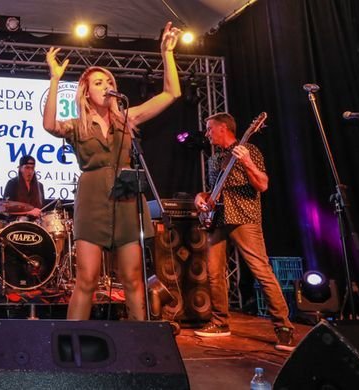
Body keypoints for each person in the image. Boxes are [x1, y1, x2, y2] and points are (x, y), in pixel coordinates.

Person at [42, 22, 182, 321]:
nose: (105, 86)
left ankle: (137, 344)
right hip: (93, 199)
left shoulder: (126, 117)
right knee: (87, 278)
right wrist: (55, 80)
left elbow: (171, 93)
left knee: (132, 278)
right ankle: (73, 343)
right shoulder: (77, 125)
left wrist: (166, 53)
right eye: (98, 83)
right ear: (86, 92)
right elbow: (50, 124)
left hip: (127, 198)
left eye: (108, 81)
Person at [193, 112, 296, 351]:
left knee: (262, 271)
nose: (207, 134)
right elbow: (212, 192)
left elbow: (262, 184)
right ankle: (220, 323)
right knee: (213, 273)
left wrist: (247, 161)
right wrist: (200, 198)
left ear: (223, 128)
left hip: (244, 218)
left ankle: (284, 327)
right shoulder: (214, 158)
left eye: (210, 129)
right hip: (218, 220)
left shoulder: (249, 150)